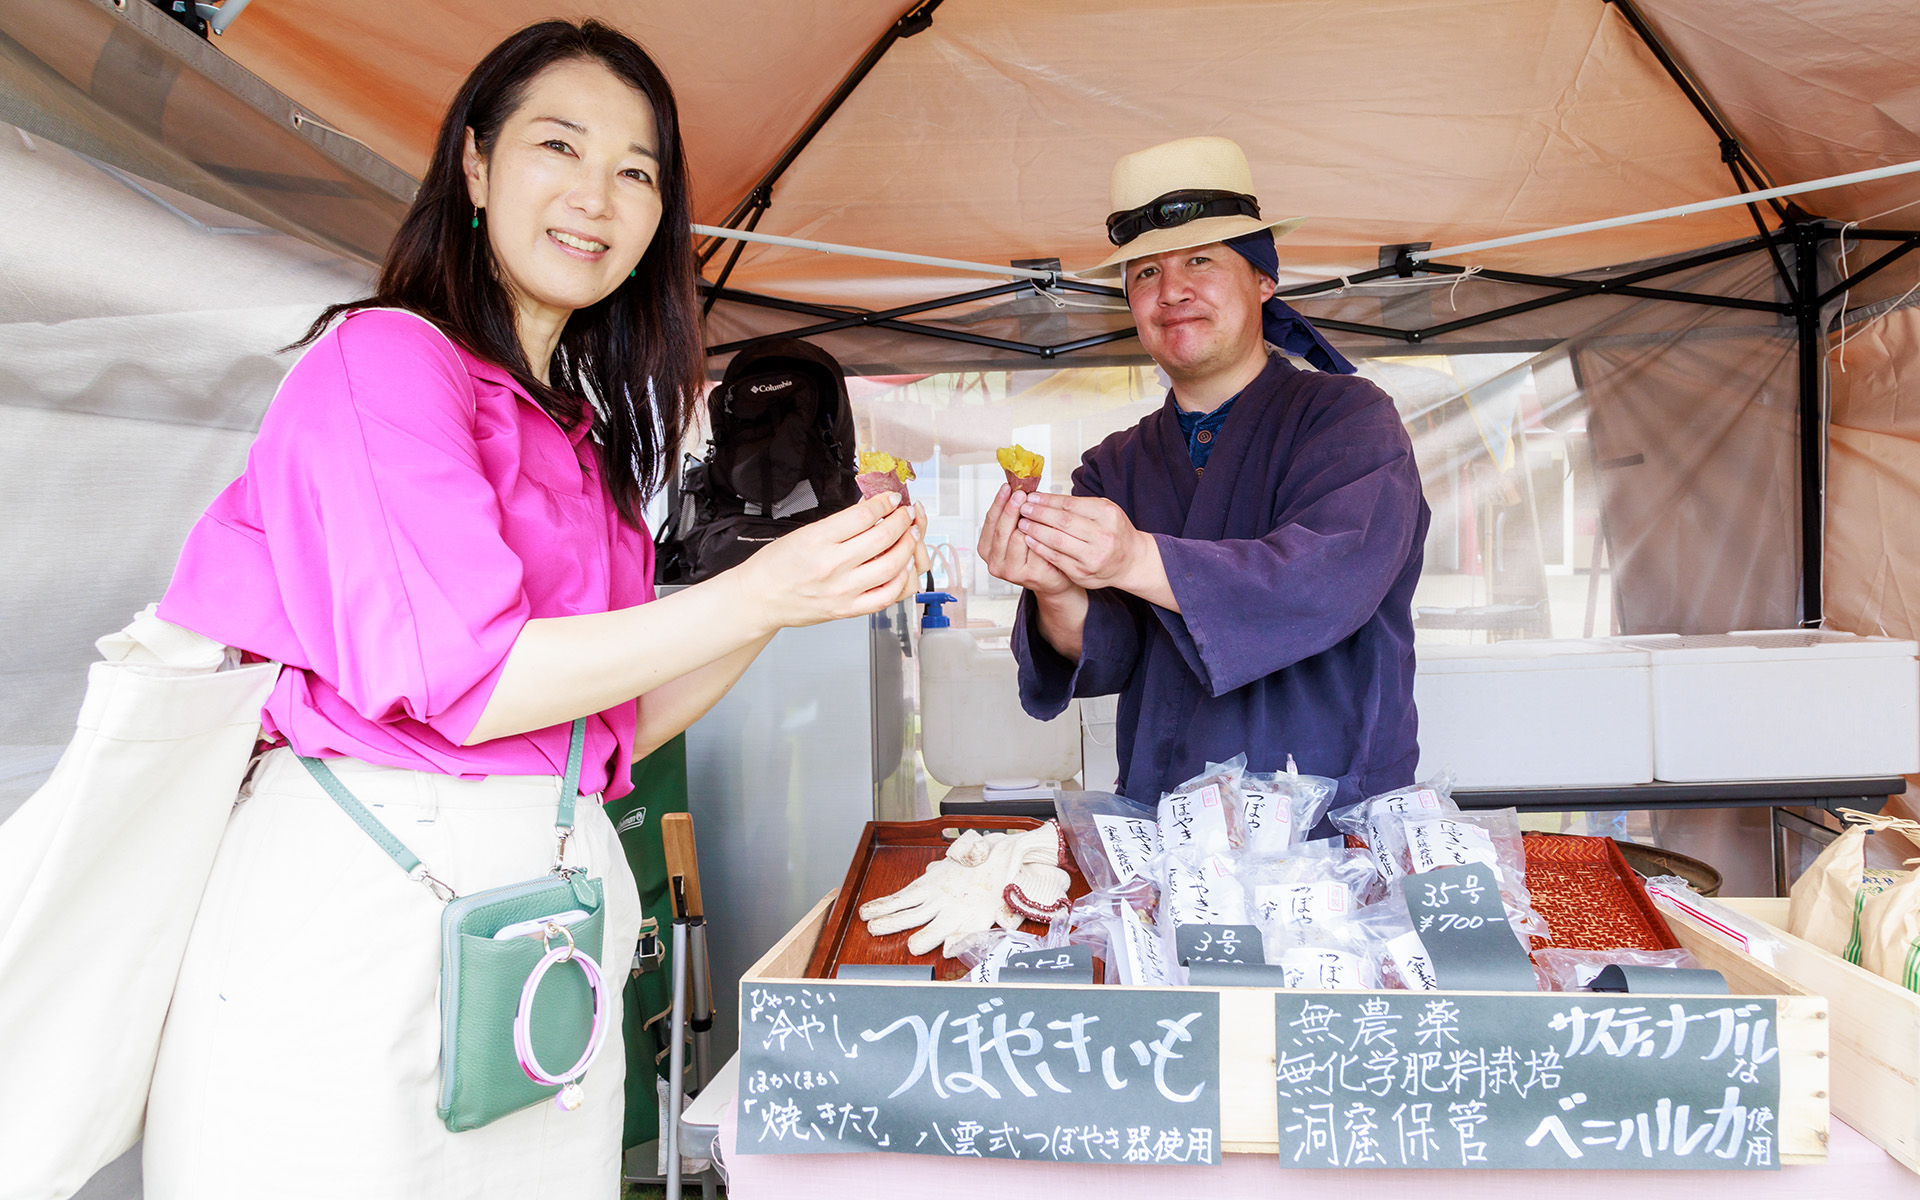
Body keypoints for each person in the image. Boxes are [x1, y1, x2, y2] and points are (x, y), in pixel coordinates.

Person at [143, 21, 922, 1199]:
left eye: (637, 171)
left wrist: (793, 591)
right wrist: (757, 587)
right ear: (475, 164)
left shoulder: (577, 435)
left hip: (539, 927)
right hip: (357, 929)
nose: (597, 197)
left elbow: (608, 727)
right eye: (560, 147)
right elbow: (476, 679)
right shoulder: (386, 361)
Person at [979, 135, 1428, 818]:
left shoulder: (1350, 419)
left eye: (1199, 261)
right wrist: (1054, 587)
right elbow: (1111, 654)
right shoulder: (1115, 463)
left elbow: (1323, 581)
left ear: (1263, 280)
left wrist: (1134, 556)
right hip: (1168, 821)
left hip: (1330, 823)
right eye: (1145, 273)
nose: (1172, 291)